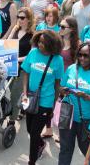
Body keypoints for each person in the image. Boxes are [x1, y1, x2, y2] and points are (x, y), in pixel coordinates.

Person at [58, 42, 90, 165]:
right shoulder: (72, 68)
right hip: (67, 116)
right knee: (65, 149)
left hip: (87, 121)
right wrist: (63, 90)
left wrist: (87, 96)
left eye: (86, 56)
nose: (82, 58)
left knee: (89, 152)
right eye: (80, 55)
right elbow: (60, 86)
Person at [21, 30, 64, 165]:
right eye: (39, 41)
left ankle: (31, 161)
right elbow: (26, 73)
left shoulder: (58, 60)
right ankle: (41, 144)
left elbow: (57, 84)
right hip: (31, 99)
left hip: (46, 101)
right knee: (29, 129)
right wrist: (24, 93)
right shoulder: (33, 53)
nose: (40, 45)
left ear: (51, 45)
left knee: (34, 134)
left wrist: (53, 106)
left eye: (44, 43)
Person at [7, 7, 36, 121]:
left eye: (22, 17)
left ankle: (11, 121)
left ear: (29, 19)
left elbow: (31, 55)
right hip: (11, 66)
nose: (19, 19)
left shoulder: (33, 34)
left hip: (23, 69)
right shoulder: (15, 29)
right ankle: (21, 109)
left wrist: (17, 59)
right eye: (18, 17)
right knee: (11, 91)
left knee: (14, 95)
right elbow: (7, 44)